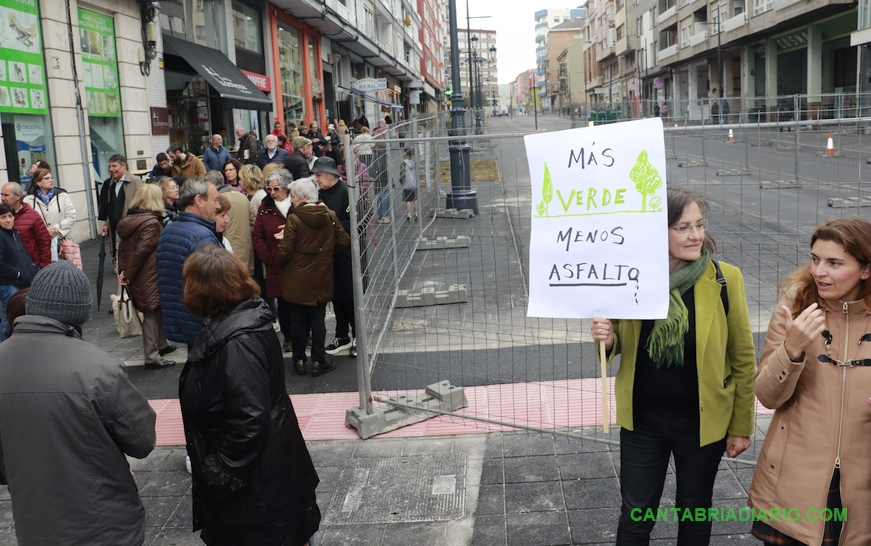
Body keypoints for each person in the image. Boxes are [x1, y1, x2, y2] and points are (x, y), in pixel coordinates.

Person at [589, 186, 755, 545]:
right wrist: (605, 339)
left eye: (699, 224)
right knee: (635, 514)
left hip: (702, 422)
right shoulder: (631, 277)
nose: (696, 235)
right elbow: (615, 344)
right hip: (643, 421)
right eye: (682, 227)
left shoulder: (725, 278)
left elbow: (743, 357)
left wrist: (741, 425)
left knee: (694, 509)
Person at [0, 261, 156, 544]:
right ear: (80, 315)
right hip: (103, 526)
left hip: (35, 526)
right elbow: (142, 440)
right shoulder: (99, 368)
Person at [179, 246, 321, 545]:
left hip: (258, 487)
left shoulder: (238, 341)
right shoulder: (240, 325)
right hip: (263, 477)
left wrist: (222, 471)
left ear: (203, 291)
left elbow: (251, 417)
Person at [748, 218, 871, 546]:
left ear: (865, 269)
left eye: (834, 263)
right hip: (794, 482)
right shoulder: (794, 310)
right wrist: (792, 348)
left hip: (862, 488)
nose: (819, 271)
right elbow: (766, 395)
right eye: (815, 259)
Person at [277, 177, 350, 376]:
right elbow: (344, 241)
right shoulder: (329, 214)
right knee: (318, 320)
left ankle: (299, 360)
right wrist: (325, 248)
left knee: (298, 320)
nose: (291, 200)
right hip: (322, 276)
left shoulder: (294, 218)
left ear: (304, 197)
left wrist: (280, 255)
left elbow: (284, 252)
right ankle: (319, 361)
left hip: (296, 278)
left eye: (293, 196)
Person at [156, 176, 221, 348]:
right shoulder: (202, 236)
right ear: (199, 201)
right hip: (203, 323)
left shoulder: (169, 231)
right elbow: (215, 286)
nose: (218, 206)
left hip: (182, 319)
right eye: (215, 200)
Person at [117, 185, 177, 369]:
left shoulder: (130, 220)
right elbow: (140, 252)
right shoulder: (151, 223)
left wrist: (123, 270)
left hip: (142, 274)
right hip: (148, 273)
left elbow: (123, 249)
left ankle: (161, 345)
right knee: (151, 313)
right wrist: (127, 273)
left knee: (155, 309)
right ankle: (152, 356)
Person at [313, 157, 358, 357]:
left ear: (331, 175)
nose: (316, 179)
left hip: (346, 253)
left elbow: (356, 223)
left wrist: (331, 223)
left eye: (319, 175)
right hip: (326, 254)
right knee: (336, 297)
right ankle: (342, 335)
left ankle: (358, 335)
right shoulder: (317, 194)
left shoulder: (346, 192)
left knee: (350, 297)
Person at [253, 169, 294, 352]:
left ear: (286, 187)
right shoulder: (265, 207)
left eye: (276, 188)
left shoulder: (297, 203)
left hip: (298, 263)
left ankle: (304, 334)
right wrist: (267, 257)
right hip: (275, 263)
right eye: (269, 189)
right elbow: (258, 235)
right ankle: (288, 337)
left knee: (301, 302)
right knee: (283, 304)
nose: (272, 193)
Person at [0, 203, 37, 342]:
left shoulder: (14, 232)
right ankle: (4, 347)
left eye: (10, 216)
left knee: (18, 315)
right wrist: (18, 274)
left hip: (20, 281)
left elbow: (23, 254)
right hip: (8, 283)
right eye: (3, 217)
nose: (8, 220)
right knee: (8, 316)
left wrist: (31, 268)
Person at [22, 168, 77, 262]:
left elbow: (71, 216)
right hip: (40, 243)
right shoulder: (28, 200)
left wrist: (55, 229)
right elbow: (26, 222)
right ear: (38, 182)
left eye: (51, 178)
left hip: (61, 242)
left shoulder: (62, 196)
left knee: (64, 272)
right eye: (47, 178)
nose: (51, 180)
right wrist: (45, 232)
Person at [97, 154, 144, 257]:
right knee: (118, 255)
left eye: (114, 166)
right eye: (109, 167)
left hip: (131, 229)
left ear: (123, 166)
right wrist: (107, 223)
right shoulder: (111, 184)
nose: (111, 169)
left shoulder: (136, 182)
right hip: (116, 228)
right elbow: (112, 207)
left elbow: (143, 206)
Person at [2, 182, 52, 268]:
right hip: (7, 268)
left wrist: (44, 267)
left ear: (18, 196)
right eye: (1, 195)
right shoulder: (0, 214)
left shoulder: (32, 216)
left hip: (31, 266)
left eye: (6, 195)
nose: (2, 198)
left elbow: (44, 242)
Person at [218, 175, 255, 276]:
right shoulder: (243, 197)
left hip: (227, 250)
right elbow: (253, 222)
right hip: (245, 248)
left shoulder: (218, 201)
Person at [399, 148, 418, 222]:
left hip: (407, 183)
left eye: (403, 152)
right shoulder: (414, 162)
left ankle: (409, 216)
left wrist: (401, 181)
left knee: (408, 200)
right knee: (415, 199)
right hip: (414, 183)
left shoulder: (403, 163)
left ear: (405, 153)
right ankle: (417, 214)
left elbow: (402, 174)